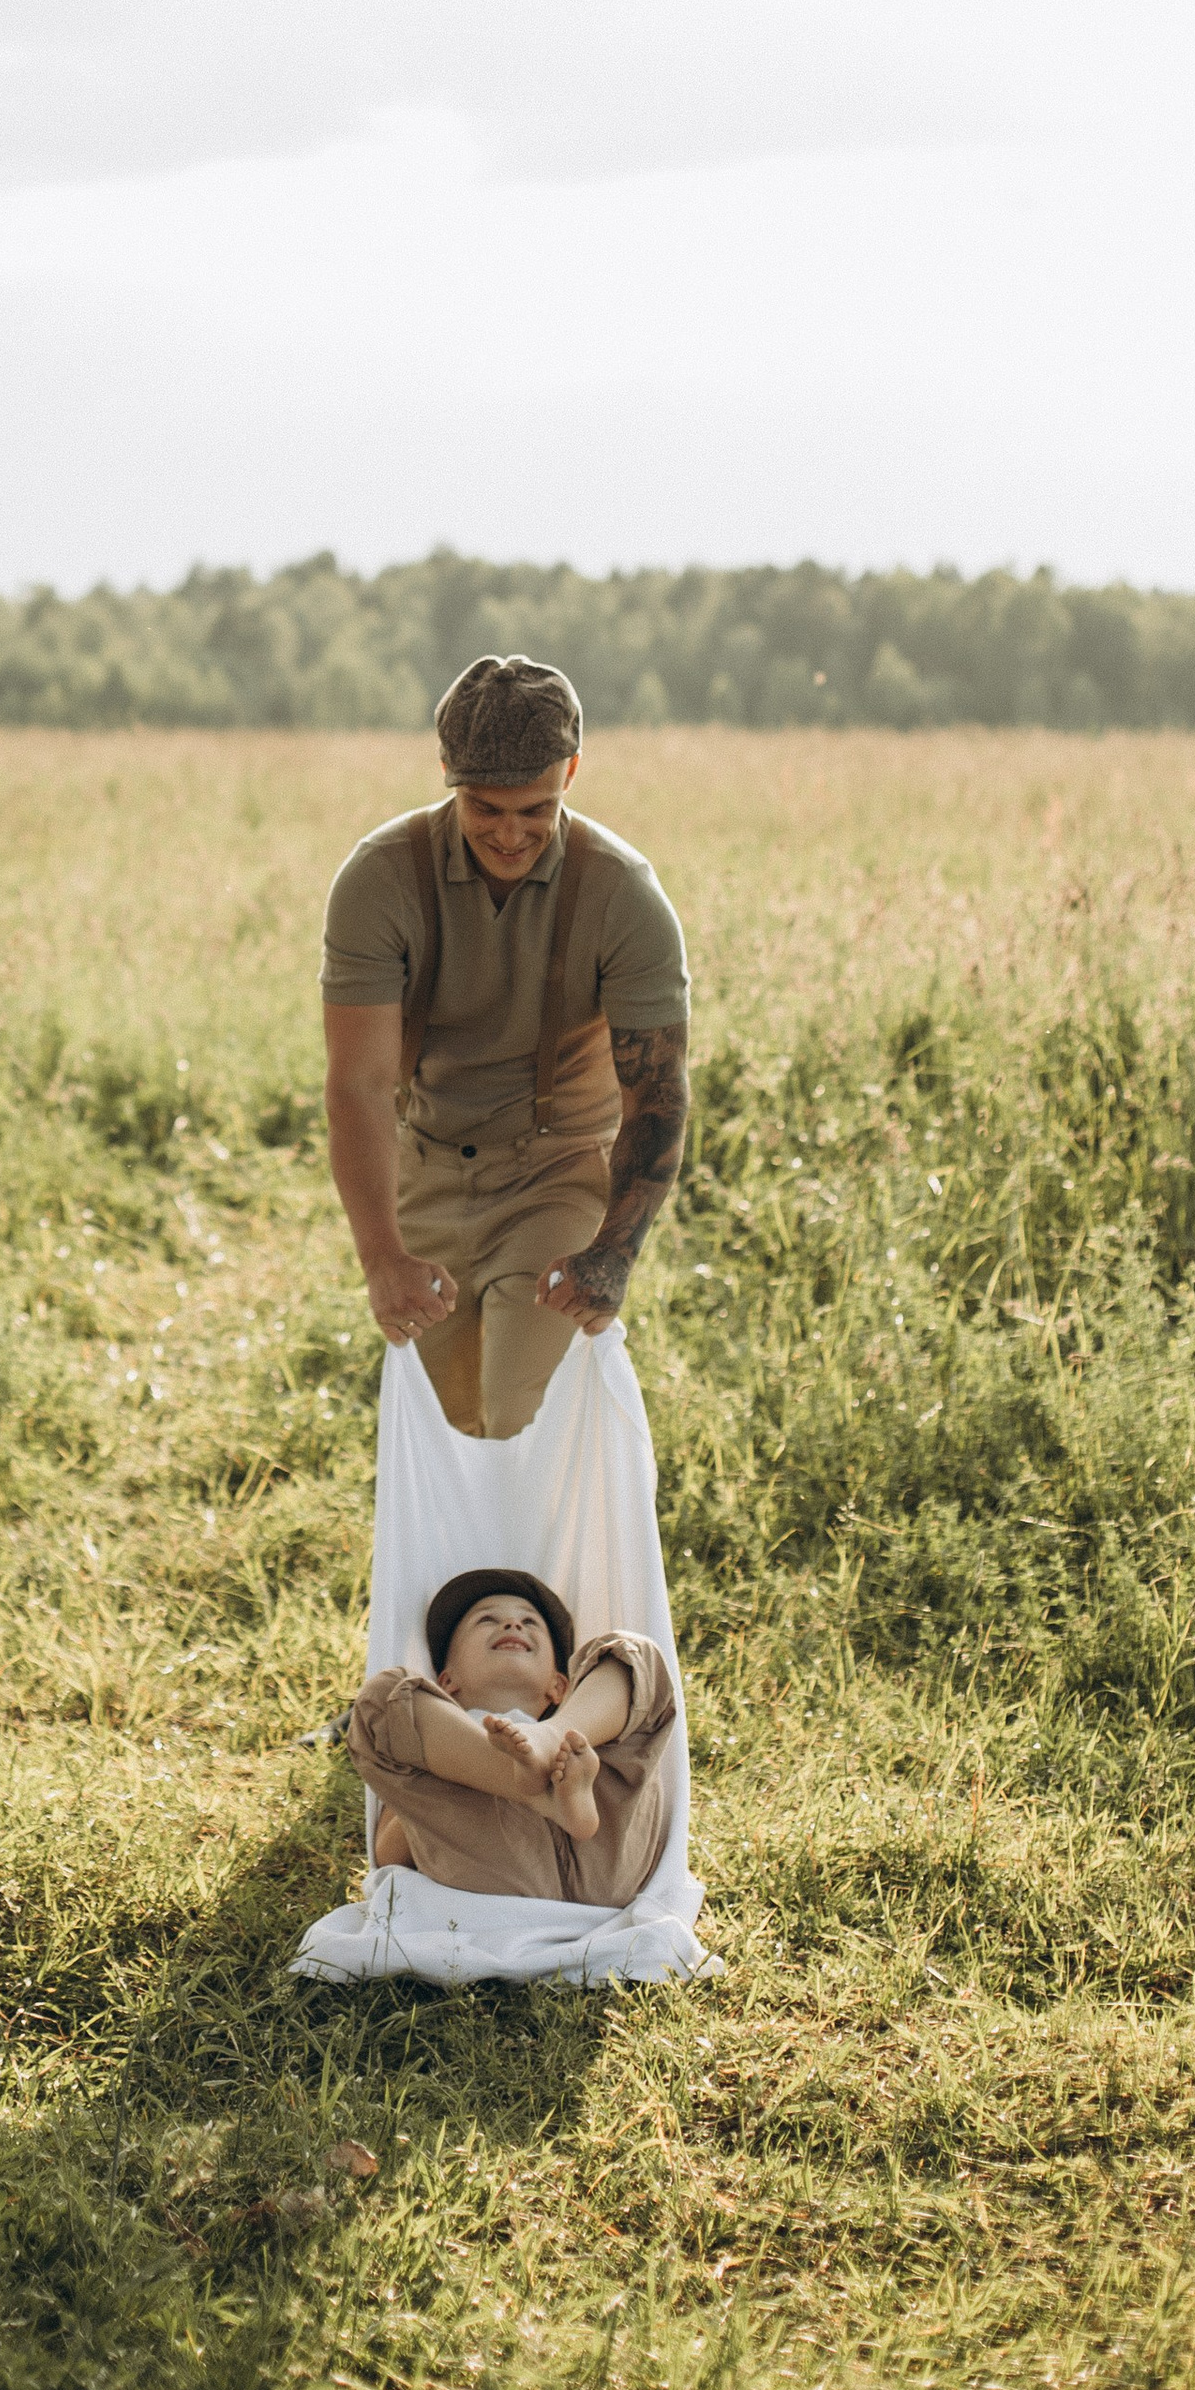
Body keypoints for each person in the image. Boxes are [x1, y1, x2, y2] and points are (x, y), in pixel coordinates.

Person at [320, 652, 692, 1437]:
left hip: (556, 1173)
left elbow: (655, 1097)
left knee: (520, 1416)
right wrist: (383, 1259)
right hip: (426, 1167)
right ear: (447, 771)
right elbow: (358, 1086)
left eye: (536, 808)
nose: (512, 833)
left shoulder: (623, 893)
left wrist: (613, 1253)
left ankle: (554, 1562)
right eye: (485, 808)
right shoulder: (379, 880)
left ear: (572, 772)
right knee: (446, 1434)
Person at [347, 1568, 677, 1908]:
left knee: (635, 1653)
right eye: (486, 1619)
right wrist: (439, 1791)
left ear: (559, 1686)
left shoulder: (584, 1738)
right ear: (446, 1682)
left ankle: (547, 1739)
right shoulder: (430, 1744)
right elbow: (389, 1855)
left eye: (530, 1622)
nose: (513, 1625)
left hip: (600, 1851)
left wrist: (555, 1740)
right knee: (384, 1697)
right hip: (496, 1867)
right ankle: (538, 1791)